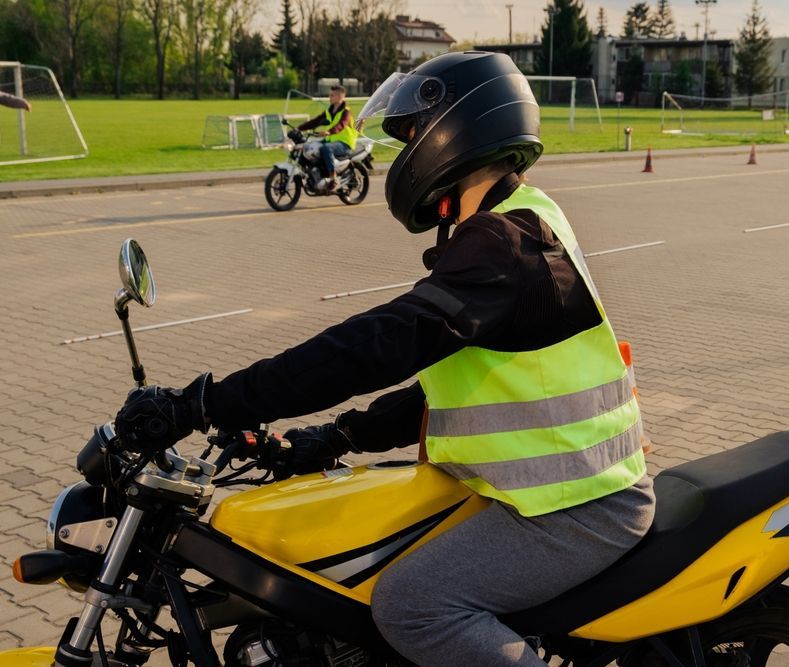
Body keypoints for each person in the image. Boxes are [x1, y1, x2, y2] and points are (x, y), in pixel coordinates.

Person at [114, 51, 655, 667]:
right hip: (536, 493)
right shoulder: (514, 221)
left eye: (410, 138)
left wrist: (203, 403)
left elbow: (372, 347)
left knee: (411, 605)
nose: (403, 158)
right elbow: (462, 384)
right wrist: (336, 436)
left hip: (578, 510)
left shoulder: (505, 244)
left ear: (458, 130)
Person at [296, 84, 357, 191]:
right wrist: (298, 129)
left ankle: (334, 178)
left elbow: (341, 125)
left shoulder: (346, 112)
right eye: (330, 95)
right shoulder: (330, 111)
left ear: (340, 97)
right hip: (331, 140)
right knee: (310, 146)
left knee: (325, 148)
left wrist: (329, 131)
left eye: (332, 95)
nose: (329, 97)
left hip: (345, 143)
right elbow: (315, 121)